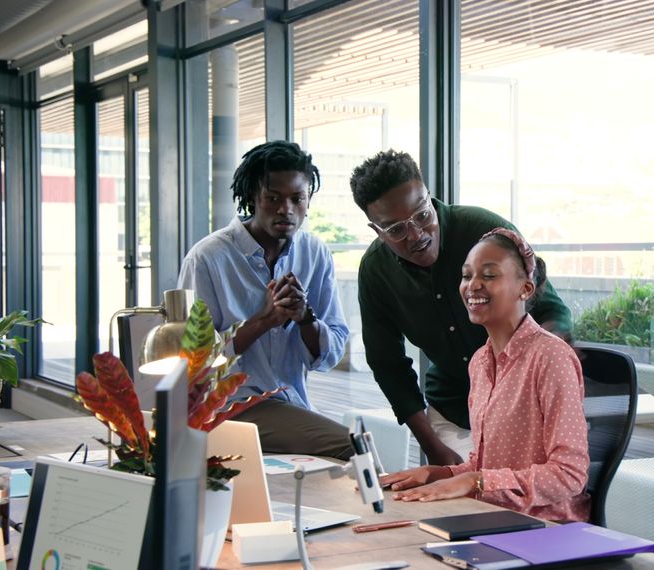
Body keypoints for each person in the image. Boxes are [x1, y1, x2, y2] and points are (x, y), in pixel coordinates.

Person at [350, 150, 573, 466]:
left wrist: (545, 371)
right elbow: (388, 365)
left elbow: (550, 308)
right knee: (457, 507)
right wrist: (433, 449)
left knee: (508, 499)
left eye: (422, 215)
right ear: (377, 231)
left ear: (429, 197)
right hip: (454, 409)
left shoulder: (485, 232)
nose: (416, 235)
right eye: (397, 229)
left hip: (523, 406)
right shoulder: (376, 272)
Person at [381, 228, 590, 522]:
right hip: (491, 517)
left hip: (547, 526)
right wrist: (435, 474)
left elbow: (569, 474)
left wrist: (475, 481)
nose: (473, 285)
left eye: (489, 275)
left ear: (525, 289)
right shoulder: (480, 362)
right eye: (467, 276)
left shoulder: (551, 357)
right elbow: (484, 466)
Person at [178, 140, 353, 459]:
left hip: (291, 404)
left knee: (338, 458)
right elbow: (194, 365)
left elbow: (332, 352)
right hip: (225, 410)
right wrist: (263, 321)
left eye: (297, 198)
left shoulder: (314, 253)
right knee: (353, 447)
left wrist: (305, 319)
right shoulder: (207, 259)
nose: (286, 209)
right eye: (273, 198)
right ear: (252, 199)